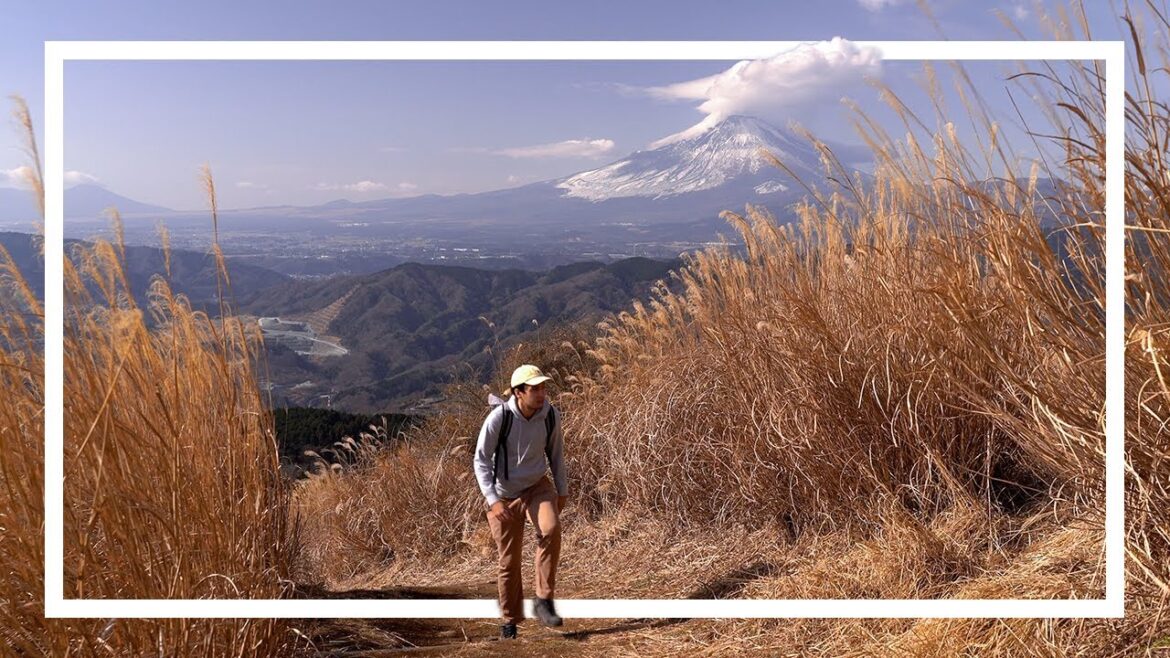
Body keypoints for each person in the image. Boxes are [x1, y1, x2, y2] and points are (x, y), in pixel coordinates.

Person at [473, 364, 568, 640]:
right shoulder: (499, 418)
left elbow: (556, 454)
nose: (541, 394)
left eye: (543, 388)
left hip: (537, 486)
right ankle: (510, 620)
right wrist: (493, 500)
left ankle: (543, 600)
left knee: (550, 530)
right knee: (509, 562)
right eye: (534, 389)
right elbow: (480, 460)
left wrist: (561, 490)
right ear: (518, 393)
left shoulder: (550, 415)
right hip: (504, 495)